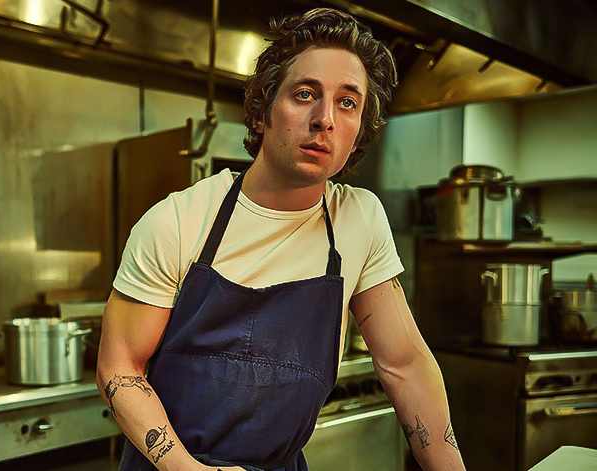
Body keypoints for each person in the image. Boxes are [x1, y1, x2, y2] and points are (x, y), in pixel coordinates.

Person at [97, 7, 466, 471]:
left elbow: (406, 364)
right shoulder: (178, 220)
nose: (325, 119)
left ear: (358, 134)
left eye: (347, 103)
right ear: (261, 113)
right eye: (305, 94)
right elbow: (119, 367)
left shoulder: (359, 219)